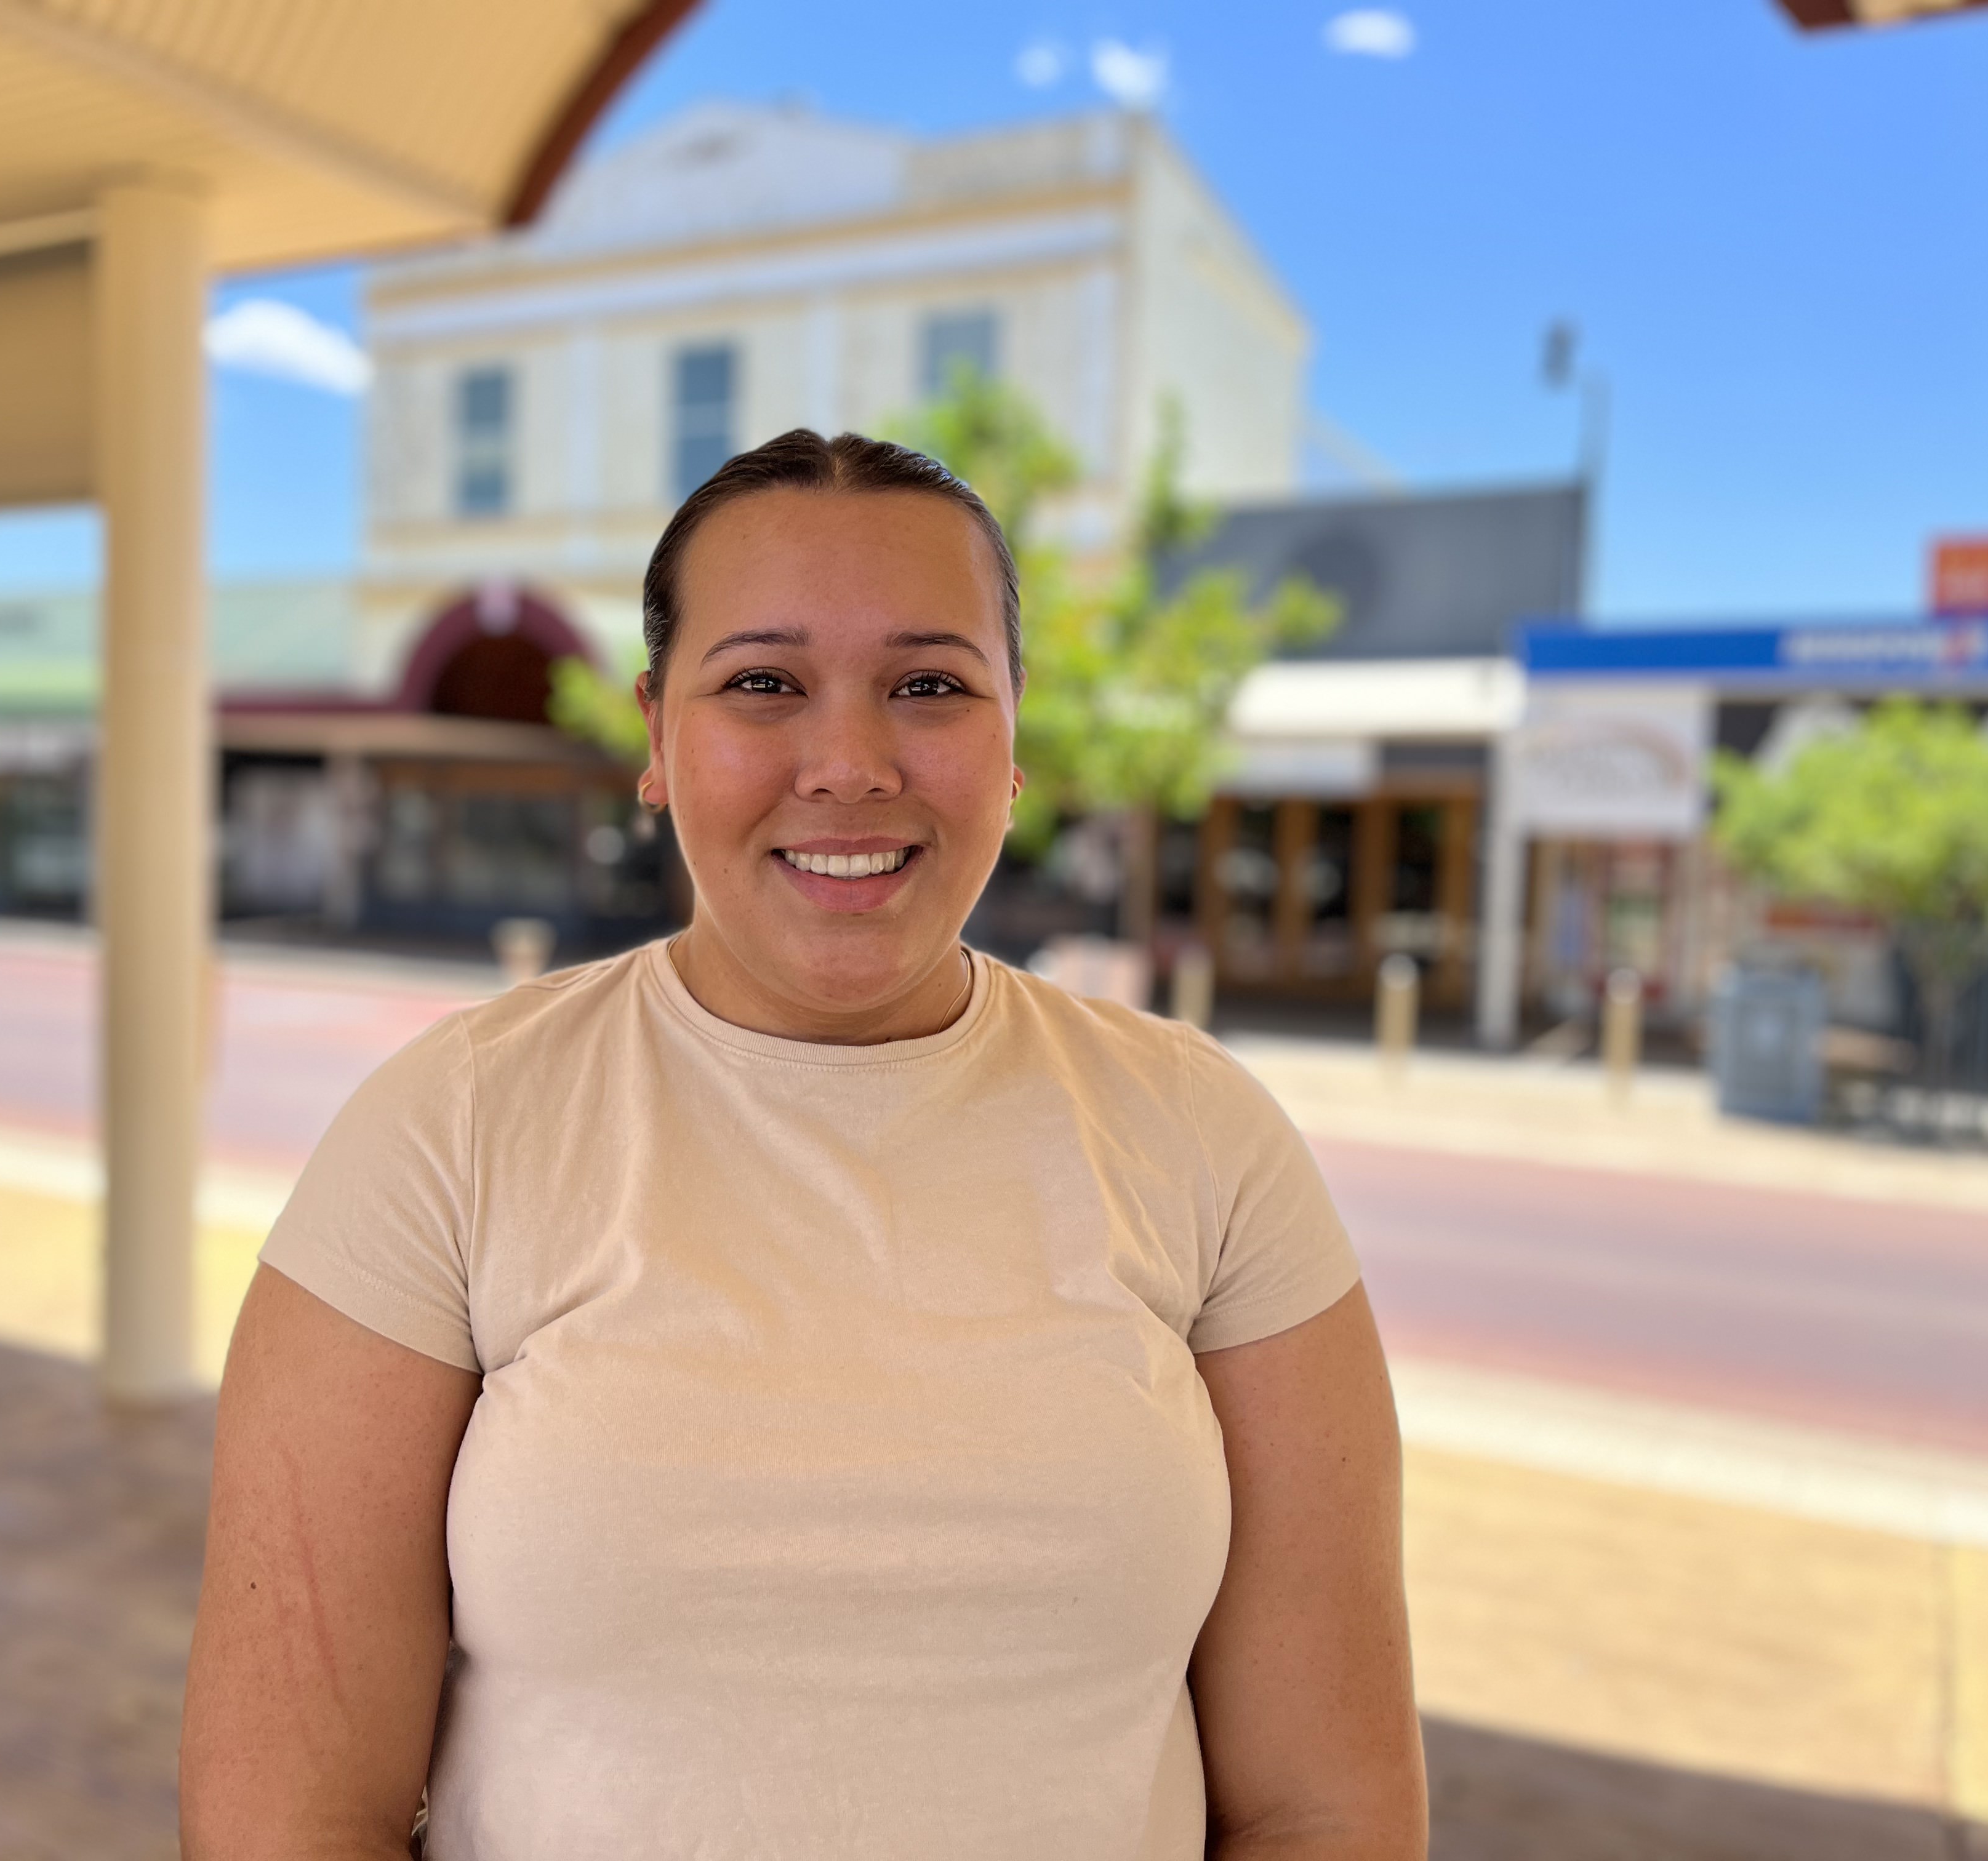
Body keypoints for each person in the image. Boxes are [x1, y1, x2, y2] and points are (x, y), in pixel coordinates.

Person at [180, 430, 1426, 1860]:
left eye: (932, 686)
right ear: (657, 737)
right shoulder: (448, 1132)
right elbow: (283, 1820)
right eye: (764, 683)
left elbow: (1326, 1810)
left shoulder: (1208, 1140)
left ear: (1016, 741)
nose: (848, 763)